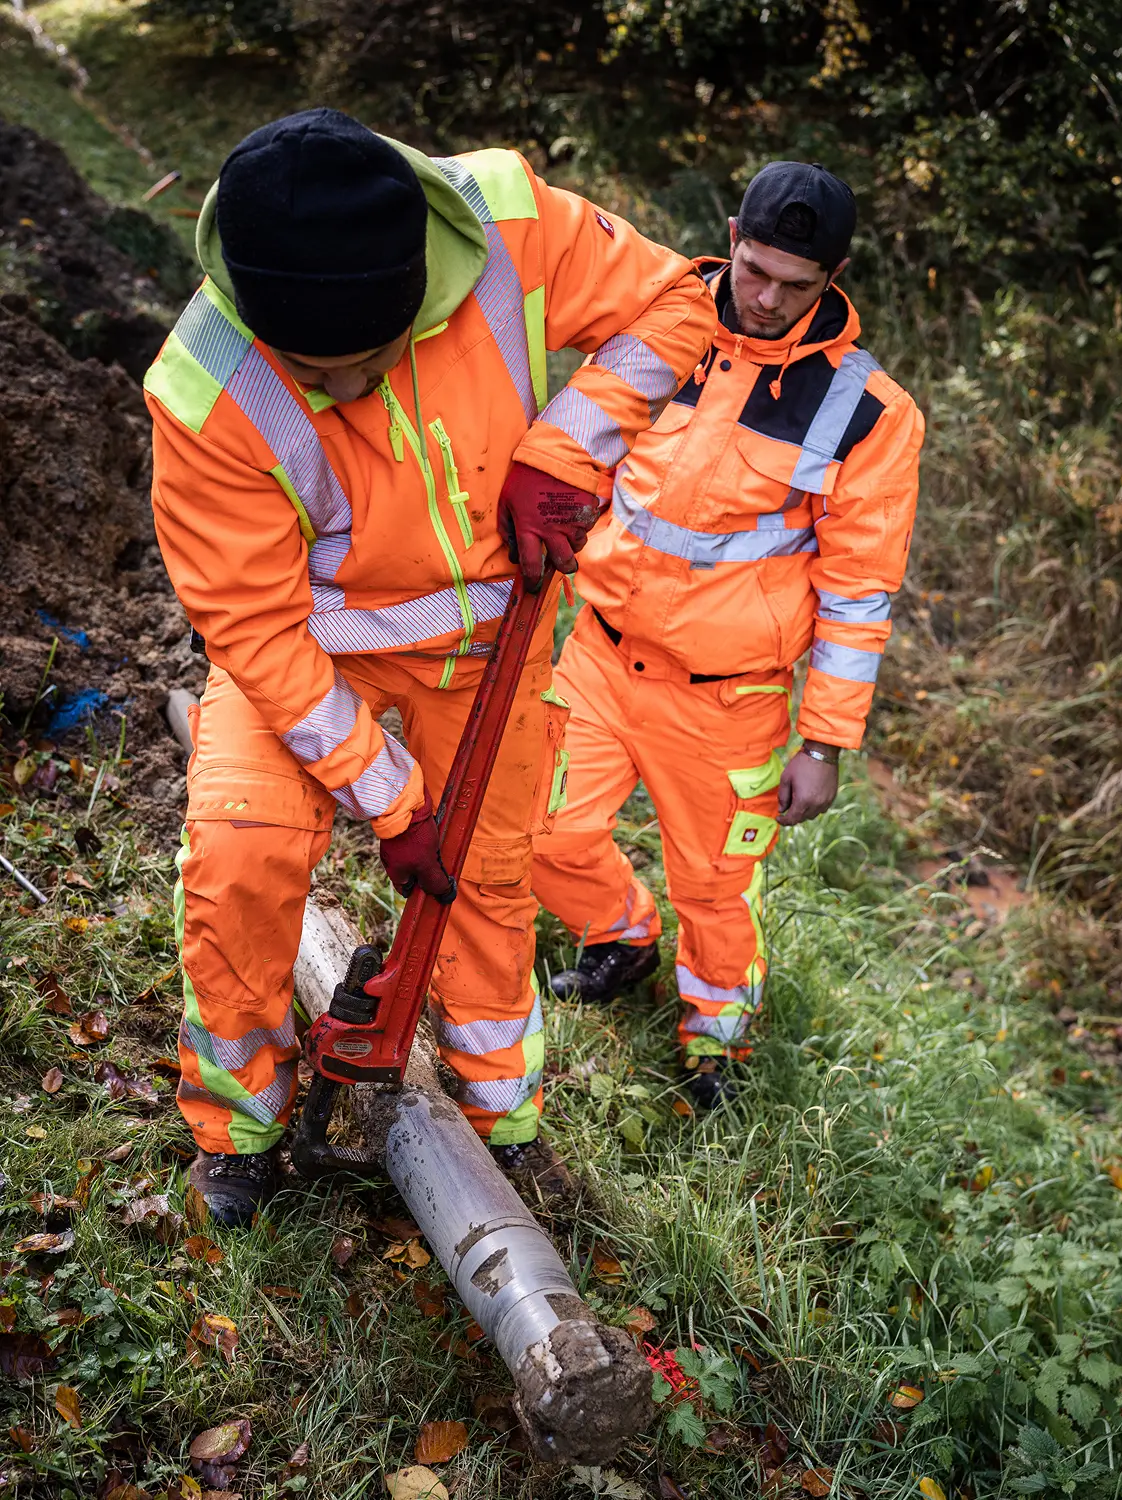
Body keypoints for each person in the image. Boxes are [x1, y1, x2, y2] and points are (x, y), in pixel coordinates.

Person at [143, 108, 715, 1225]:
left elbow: (678, 299)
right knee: (239, 857)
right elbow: (253, 627)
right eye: (322, 373)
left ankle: (501, 1127)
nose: (354, 389)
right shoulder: (204, 387)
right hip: (307, 653)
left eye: (372, 359)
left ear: (416, 292)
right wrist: (394, 800)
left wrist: (569, 446)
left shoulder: (506, 218)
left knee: (490, 881)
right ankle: (238, 1130)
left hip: (488, 640)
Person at [532, 162, 924, 1106]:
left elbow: (859, 592)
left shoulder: (869, 413)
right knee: (542, 833)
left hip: (729, 701)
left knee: (715, 886)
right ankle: (621, 936)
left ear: (833, 278)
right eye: (754, 271)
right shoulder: (658, 325)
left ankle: (717, 1044)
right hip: (597, 654)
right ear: (733, 239)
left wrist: (824, 743)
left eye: (796, 285)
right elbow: (581, 447)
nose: (767, 299)